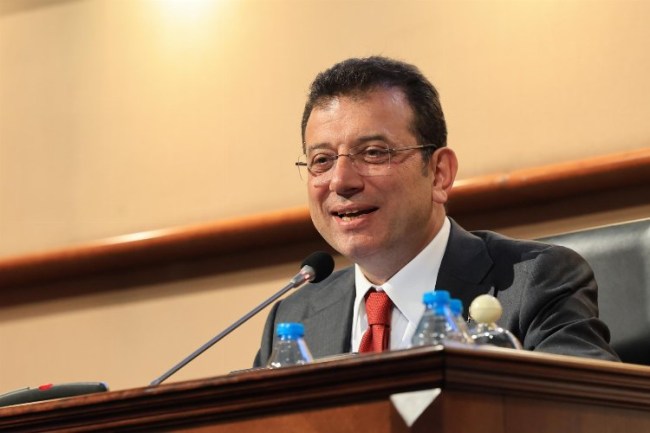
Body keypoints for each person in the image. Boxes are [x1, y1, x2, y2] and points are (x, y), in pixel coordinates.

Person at [254, 56, 619, 366]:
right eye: (322, 160)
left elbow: (591, 411)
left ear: (439, 173)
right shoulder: (294, 317)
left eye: (374, 153)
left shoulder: (535, 283)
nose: (341, 181)